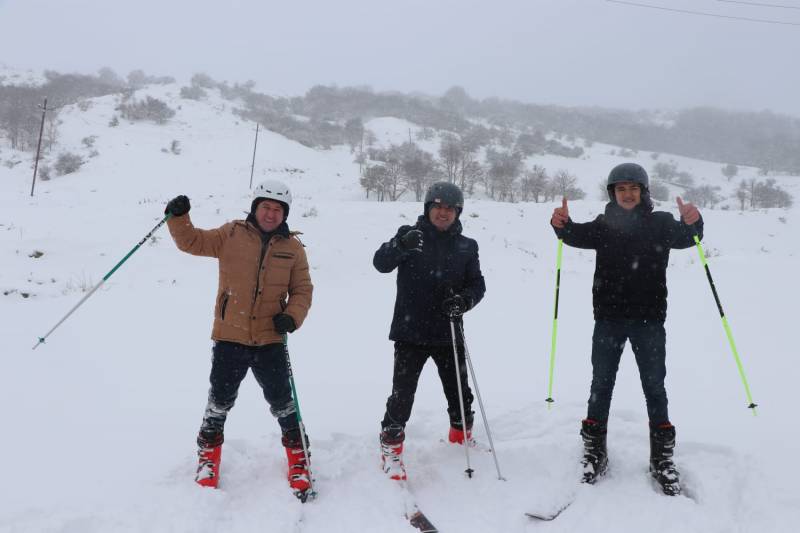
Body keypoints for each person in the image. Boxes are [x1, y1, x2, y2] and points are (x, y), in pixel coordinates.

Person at [550, 162, 702, 496]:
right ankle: (595, 453)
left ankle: (661, 459)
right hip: (609, 319)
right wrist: (560, 224)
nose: (628, 194)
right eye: (621, 189)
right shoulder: (604, 225)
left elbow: (690, 237)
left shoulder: (661, 223)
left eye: (634, 188)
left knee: (654, 387)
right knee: (601, 385)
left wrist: (694, 221)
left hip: (649, 321)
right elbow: (573, 235)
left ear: (644, 192)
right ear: (613, 193)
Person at [164, 180, 313, 496]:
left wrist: (292, 316)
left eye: (277, 209)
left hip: (271, 339)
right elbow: (192, 242)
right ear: (255, 208)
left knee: (284, 403)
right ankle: (208, 459)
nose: (270, 214)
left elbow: (302, 290)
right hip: (230, 336)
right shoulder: (231, 234)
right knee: (219, 401)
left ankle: (299, 460)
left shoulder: (293, 248)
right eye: (265, 207)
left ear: (284, 214)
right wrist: (179, 217)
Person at [373, 181, 486, 481]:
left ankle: (461, 437)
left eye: (450, 208)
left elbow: (477, 284)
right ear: (427, 208)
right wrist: (400, 246)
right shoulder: (410, 235)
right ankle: (391, 447)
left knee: (459, 392)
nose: (443, 212)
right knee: (402, 395)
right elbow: (380, 263)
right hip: (410, 332)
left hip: (449, 331)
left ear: (458, 212)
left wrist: (463, 301)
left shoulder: (467, 246)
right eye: (437, 206)